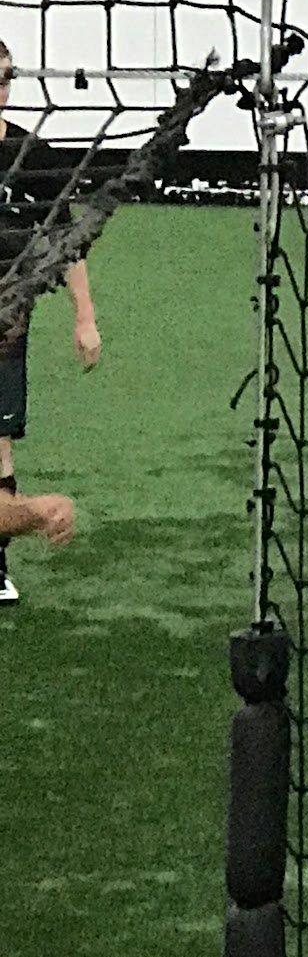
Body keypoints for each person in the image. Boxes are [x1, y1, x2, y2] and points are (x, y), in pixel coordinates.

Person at [0, 42, 98, 600]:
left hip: (6, 321)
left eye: (6, 79)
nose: (0, 90)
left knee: (0, 441)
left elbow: (67, 240)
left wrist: (84, 316)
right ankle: (32, 516)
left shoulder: (30, 155)